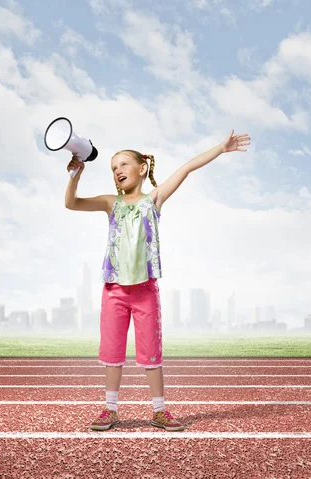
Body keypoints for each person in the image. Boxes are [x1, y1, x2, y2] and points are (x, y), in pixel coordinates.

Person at [64, 130, 251, 432]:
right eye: (113, 168)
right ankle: (110, 410)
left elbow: (187, 168)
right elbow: (71, 203)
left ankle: (159, 411)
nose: (117, 171)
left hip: (145, 291)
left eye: (123, 164)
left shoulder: (154, 200)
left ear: (142, 168)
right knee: (113, 353)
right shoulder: (111, 203)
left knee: (152, 353)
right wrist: (75, 173)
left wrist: (221, 147)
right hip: (114, 290)